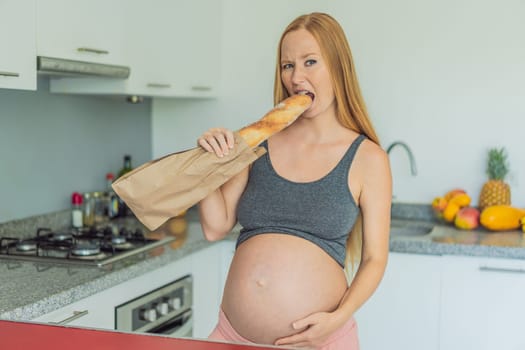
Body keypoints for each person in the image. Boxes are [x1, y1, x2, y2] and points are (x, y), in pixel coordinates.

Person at [197, 12, 392, 350]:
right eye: (287, 66)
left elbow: (375, 258)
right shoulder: (257, 140)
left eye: (310, 62)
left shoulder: (368, 158)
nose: (296, 77)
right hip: (233, 338)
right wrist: (204, 164)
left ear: (337, 67)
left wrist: (339, 317)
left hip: (318, 342)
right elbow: (216, 226)